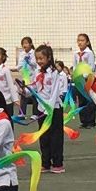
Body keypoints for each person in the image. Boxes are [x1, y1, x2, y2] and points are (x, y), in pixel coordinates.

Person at [30, 44, 70, 172]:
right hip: (42, 109)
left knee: (56, 137)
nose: (39, 61)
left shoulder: (54, 73)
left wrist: (49, 108)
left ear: (48, 58)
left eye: (41, 58)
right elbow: (34, 88)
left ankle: (57, 163)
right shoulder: (37, 72)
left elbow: (54, 93)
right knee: (44, 136)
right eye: (37, 58)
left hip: (54, 109)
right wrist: (24, 90)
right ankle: (45, 162)